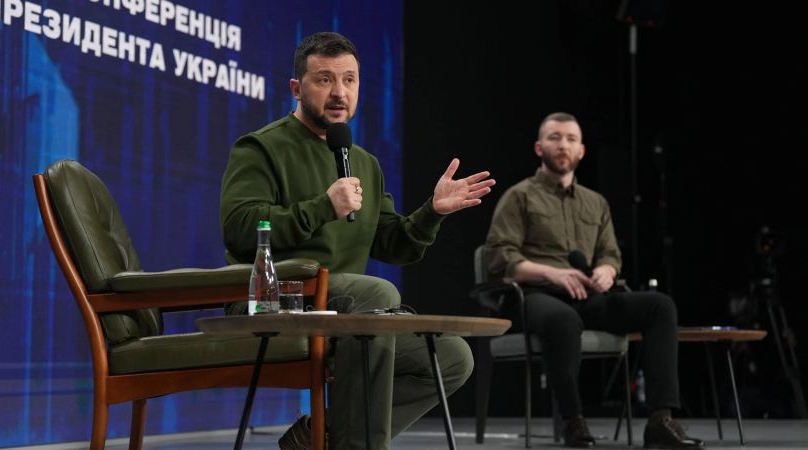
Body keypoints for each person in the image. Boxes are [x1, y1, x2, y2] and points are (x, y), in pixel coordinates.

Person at [220, 32, 496, 450]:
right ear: (296, 88)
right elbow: (239, 229)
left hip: (343, 310)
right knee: (377, 293)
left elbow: (392, 244)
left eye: (349, 80)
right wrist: (321, 208)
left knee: (453, 358)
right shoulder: (261, 148)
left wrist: (432, 212)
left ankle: (322, 437)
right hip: (273, 302)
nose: (339, 93)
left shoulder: (363, 161)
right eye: (324, 79)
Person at [484, 112, 705, 449]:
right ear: (539, 147)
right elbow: (500, 257)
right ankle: (574, 422)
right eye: (555, 137)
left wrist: (607, 270)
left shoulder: (595, 202)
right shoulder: (519, 197)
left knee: (659, 306)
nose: (563, 145)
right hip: (534, 295)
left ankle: (661, 420)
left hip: (587, 295)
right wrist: (552, 273)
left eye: (571, 139)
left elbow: (610, 253)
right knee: (562, 319)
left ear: (582, 151)